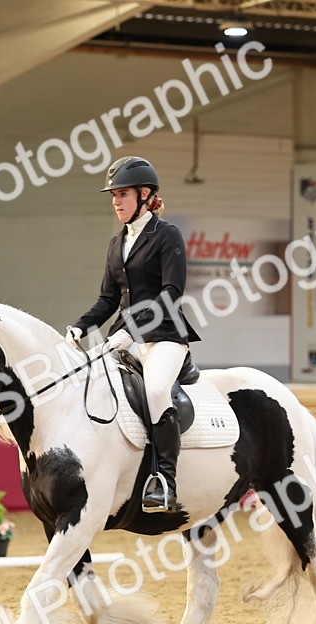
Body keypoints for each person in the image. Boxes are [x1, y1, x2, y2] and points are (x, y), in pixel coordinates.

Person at [66, 156, 200, 513]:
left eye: (122, 194)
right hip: (122, 338)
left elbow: (172, 293)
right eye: (113, 195)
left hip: (164, 338)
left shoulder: (166, 235)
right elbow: (109, 299)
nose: (115, 201)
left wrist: (133, 333)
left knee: (156, 390)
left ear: (144, 195)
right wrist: (80, 327)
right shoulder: (116, 243)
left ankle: (165, 482)